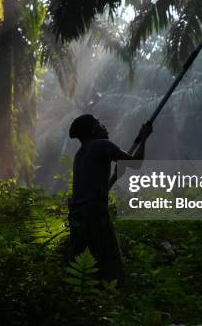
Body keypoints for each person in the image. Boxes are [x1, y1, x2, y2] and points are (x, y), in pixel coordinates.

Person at [67, 114, 152, 283]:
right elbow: (135, 162)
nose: (104, 127)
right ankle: (111, 301)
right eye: (99, 124)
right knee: (108, 262)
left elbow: (93, 188)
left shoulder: (81, 153)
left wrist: (114, 178)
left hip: (77, 217)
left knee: (86, 267)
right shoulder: (101, 145)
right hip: (94, 216)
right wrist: (144, 137)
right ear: (92, 130)